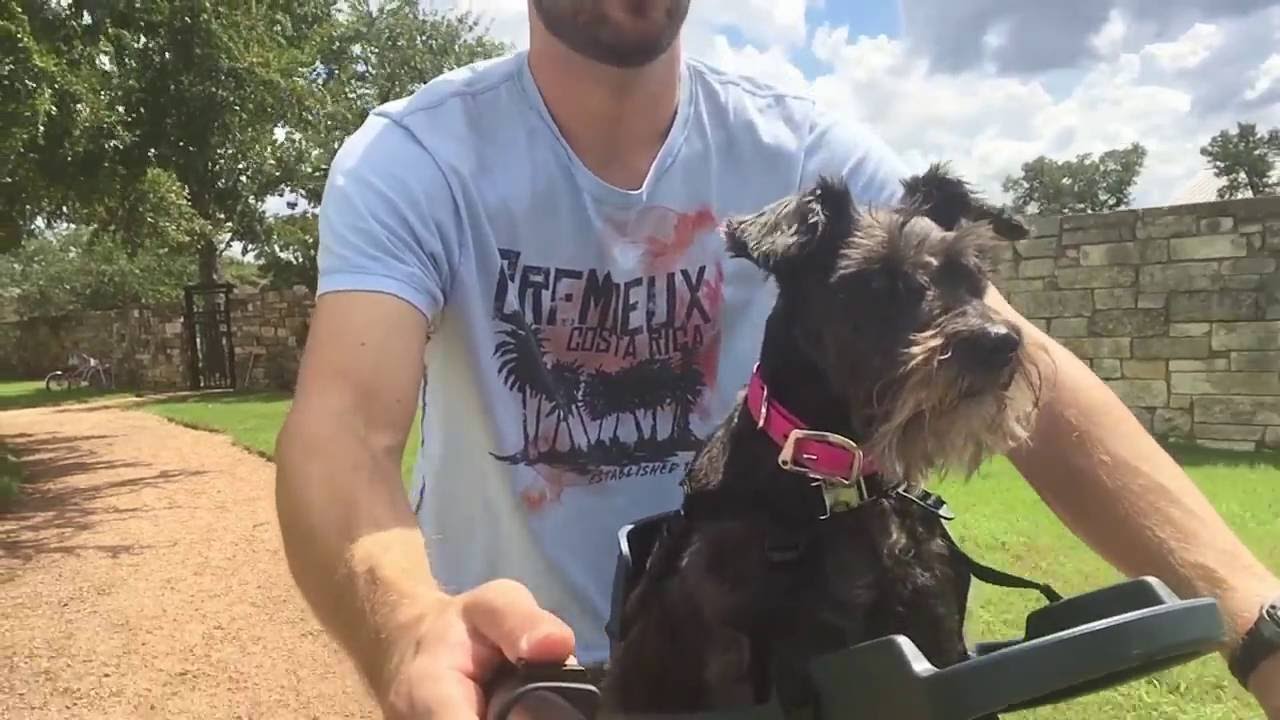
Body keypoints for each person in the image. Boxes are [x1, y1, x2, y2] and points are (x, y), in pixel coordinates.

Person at [273, 1, 1280, 717]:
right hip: (540, 689)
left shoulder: (801, 143)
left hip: (812, 672)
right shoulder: (417, 159)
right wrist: (409, 627)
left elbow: (1023, 374)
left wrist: (1259, 625)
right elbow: (345, 436)